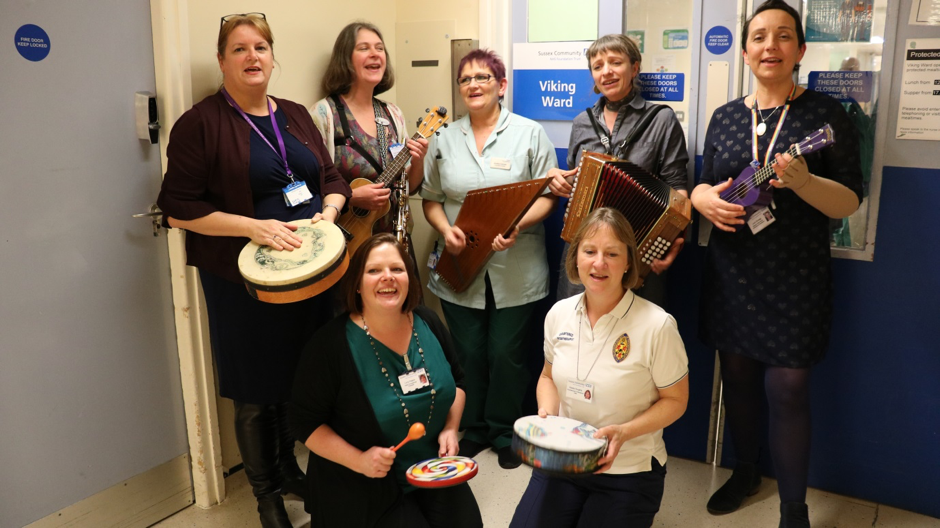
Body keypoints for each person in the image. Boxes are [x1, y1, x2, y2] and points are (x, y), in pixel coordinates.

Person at [156, 13, 351, 528]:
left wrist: (326, 217)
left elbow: (331, 177)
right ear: (222, 60)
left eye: (260, 47)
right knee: (255, 388)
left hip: (309, 274)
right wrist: (254, 227)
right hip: (244, 281)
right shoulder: (201, 123)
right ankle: (265, 496)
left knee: (297, 378)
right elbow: (177, 207)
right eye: (239, 49)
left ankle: (288, 468)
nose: (252, 57)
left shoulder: (292, 113)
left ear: (272, 55)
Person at [690, 2, 863, 526]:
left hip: (796, 273)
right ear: (745, 52)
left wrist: (805, 182)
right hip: (732, 271)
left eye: (783, 36)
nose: (771, 46)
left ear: (800, 50)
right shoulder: (724, 116)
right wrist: (699, 197)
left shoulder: (825, 116)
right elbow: (706, 180)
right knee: (737, 378)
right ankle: (745, 471)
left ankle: (793, 508)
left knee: (787, 387)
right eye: (760, 37)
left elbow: (851, 201)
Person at [420, 49, 559, 469]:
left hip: (515, 266)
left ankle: (503, 429)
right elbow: (431, 199)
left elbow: (549, 195)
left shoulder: (530, 133)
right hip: (459, 264)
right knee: (467, 353)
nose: (474, 85)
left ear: (502, 86)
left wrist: (516, 224)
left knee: (506, 353)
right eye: (466, 79)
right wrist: (446, 231)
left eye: (483, 77)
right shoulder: (444, 138)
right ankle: (473, 428)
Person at [509, 208, 689, 528]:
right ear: (576, 257)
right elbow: (548, 377)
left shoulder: (657, 325)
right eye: (589, 251)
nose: (599, 263)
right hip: (563, 463)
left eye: (612, 253)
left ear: (628, 262)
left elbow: (676, 401)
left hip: (628, 471)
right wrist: (547, 416)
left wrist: (624, 432)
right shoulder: (559, 314)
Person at [290, 234, 482, 528]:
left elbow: (458, 382)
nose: (387, 278)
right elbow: (305, 423)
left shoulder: (427, 321)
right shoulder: (329, 346)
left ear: (409, 278)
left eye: (397, 269)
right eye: (374, 270)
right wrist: (359, 460)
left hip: (429, 467)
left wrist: (451, 428)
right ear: (356, 282)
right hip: (361, 480)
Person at [548, 34, 690, 307]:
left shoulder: (661, 118)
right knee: (580, 337)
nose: (606, 71)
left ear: (634, 67)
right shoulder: (581, 123)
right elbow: (575, 185)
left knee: (633, 341)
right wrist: (556, 181)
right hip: (585, 254)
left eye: (615, 62)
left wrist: (672, 244)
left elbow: (678, 190)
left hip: (638, 255)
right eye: (598, 66)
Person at [311, 21, 428, 257]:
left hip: (395, 241)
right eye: (364, 48)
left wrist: (419, 160)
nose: (375, 54)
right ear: (345, 59)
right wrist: (351, 197)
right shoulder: (324, 114)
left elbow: (409, 187)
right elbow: (311, 187)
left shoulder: (392, 114)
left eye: (380, 48)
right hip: (349, 244)